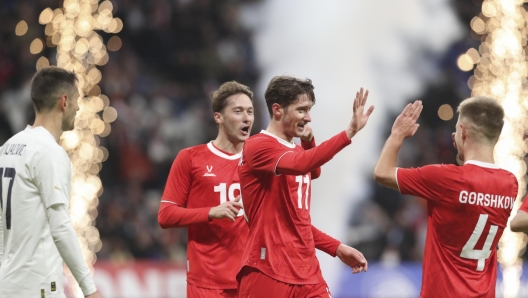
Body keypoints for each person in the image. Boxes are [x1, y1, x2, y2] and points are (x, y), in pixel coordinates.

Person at [158, 80, 365, 298]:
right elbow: (165, 215)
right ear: (218, 117)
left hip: (279, 270)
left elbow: (294, 218)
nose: (247, 118)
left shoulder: (273, 157)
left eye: (250, 111)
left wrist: (335, 247)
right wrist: (210, 212)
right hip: (217, 279)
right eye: (238, 111)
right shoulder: (201, 158)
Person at [237, 76, 371, 298]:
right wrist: (349, 132)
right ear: (278, 110)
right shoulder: (257, 146)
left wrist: (336, 248)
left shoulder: (296, 153)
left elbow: (298, 220)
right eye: (301, 110)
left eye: (309, 110)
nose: (308, 117)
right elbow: (303, 165)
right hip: (268, 269)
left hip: (308, 273)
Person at [373, 97, 518, 297]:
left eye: (457, 129)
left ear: (464, 131)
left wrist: (397, 135)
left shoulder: (445, 178)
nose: (453, 135)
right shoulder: (510, 183)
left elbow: (382, 172)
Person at [0, 66, 101, 298]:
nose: (77, 107)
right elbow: (60, 226)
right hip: (39, 287)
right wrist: (89, 289)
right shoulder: (49, 152)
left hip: (7, 285)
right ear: (64, 102)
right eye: (76, 100)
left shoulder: (7, 148)